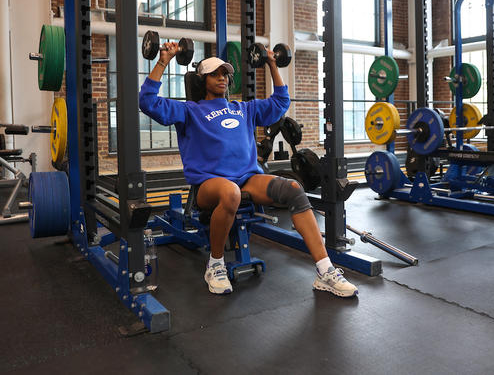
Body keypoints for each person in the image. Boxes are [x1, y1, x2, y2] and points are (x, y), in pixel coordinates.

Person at [139, 42, 357, 298]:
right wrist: (163, 61)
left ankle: (325, 270)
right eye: (215, 74)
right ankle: (215, 265)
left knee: (294, 189)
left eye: (225, 75)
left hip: (248, 179)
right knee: (230, 193)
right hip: (210, 185)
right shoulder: (189, 111)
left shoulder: (243, 109)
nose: (222, 78)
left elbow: (280, 102)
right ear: (202, 80)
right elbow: (148, 102)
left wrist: (272, 64)